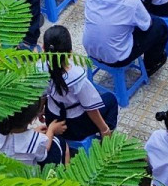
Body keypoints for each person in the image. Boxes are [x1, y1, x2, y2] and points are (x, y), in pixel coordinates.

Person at [82, 0, 168, 77]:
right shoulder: (131, 3)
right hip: (117, 58)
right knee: (160, 25)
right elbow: (146, 25)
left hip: (90, 49)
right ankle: (151, 64)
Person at [43, 25, 117, 156]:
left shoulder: (40, 68)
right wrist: (104, 129)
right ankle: (105, 139)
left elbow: (41, 95)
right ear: (70, 52)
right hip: (75, 127)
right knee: (111, 99)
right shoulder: (77, 77)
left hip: (52, 119)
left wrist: (39, 114)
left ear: (43, 48)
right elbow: (91, 109)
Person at [0, 97, 60, 166]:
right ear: (32, 120)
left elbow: (11, 139)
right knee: (60, 143)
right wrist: (51, 130)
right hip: (23, 175)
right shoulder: (37, 141)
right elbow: (44, 152)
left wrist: (33, 133)